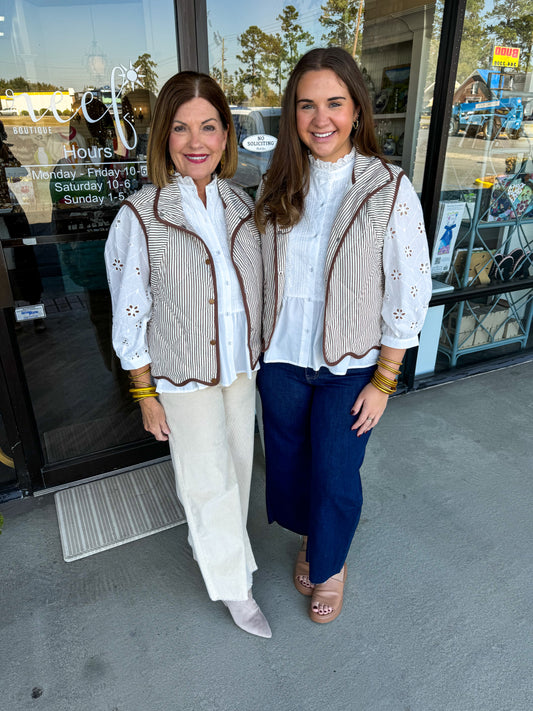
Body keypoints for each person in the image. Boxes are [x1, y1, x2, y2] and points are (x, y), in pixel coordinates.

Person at [255, 47, 432, 624]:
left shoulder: (389, 188)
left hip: (352, 364)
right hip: (282, 360)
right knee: (288, 464)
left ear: (357, 108)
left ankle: (330, 565)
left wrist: (385, 378)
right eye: (307, 105)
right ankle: (312, 539)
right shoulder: (276, 183)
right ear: (292, 114)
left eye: (334, 102)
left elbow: (410, 288)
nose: (320, 118)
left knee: (334, 470)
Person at [105, 71, 270, 638]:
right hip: (183, 373)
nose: (195, 141)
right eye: (180, 128)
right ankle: (235, 589)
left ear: (226, 135)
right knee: (205, 480)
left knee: (238, 471)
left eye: (207, 126)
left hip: (238, 369)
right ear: (164, 137)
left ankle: (221, 549)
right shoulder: (141, 213)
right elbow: (130, 308)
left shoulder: (238, 202)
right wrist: (145, 392)